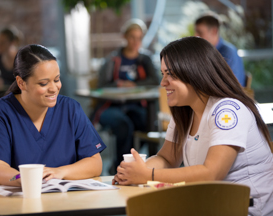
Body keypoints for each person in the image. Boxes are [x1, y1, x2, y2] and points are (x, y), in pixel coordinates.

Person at [113, 37, 273, 216]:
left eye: (170, 74)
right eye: (163, 74)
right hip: (210, 204)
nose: (163, 82)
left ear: (194, 72)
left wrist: (147, 174)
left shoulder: (228, 111)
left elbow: (211, 174)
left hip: (244, 210)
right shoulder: (185, 111)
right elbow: (167, 158)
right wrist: (134, 171)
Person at [0, 44, 106, 186]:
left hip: (62, 201)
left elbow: (95, 163)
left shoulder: (70, 109)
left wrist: (59, 172)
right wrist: (27, 179)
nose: (54, 88)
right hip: (13, 203)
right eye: (43, 83)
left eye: (56, 80)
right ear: (21, 83)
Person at [94, 19, 159, 174]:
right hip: (111, 106)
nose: (136, 42)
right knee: (124, 125)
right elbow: (101, 85)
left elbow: (155, 80)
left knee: (149, 124)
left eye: (139, 38)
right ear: (124, 37)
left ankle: (143, 167)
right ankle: (120, 167)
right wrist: (119, 84)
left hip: (136, 105)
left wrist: (135, 84)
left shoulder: (145, 59)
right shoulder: (112, 59)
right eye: (132, 37)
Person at [194, 13, 246, 87]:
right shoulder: (206, 52)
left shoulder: (228, 53)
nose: (195, 36)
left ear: (214, 31)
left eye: (200, 33)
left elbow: (228, 86)